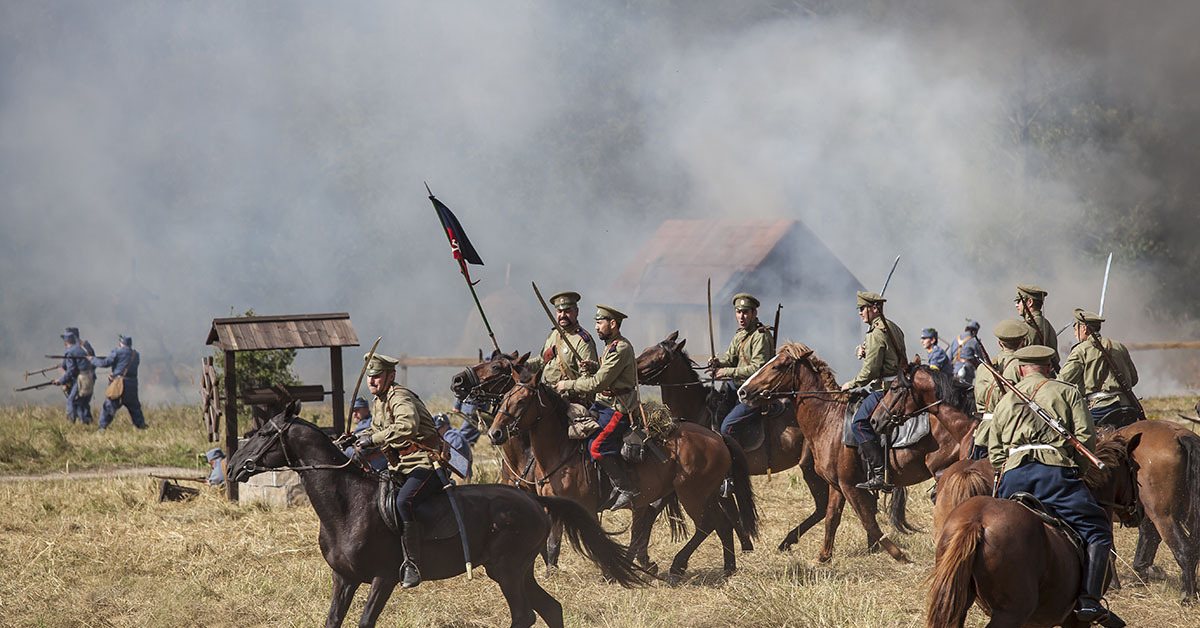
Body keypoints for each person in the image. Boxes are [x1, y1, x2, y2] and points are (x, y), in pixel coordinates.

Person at [986, 345, 1123, 628]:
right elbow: (1085, 437)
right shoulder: (1066, 391)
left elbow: (995, 450)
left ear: (1022, 368)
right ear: (1049, 367)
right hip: (1054, 475)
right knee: (1097, 526)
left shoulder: (1006, 398)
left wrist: (1007, 468)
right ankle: (1089, 600)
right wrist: (1077, 470)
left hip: (1013, 476)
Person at [353, 353, 440, 588]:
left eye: (377, 376)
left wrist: (372, 439)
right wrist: (354, 439)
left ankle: (413, 564)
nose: (371, 381)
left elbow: (407, 427)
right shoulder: (379, 400)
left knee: (404, 502)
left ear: (390, 376)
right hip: (399, 465)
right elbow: (373, 428)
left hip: (424, 463)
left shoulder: (399, 397)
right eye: (370, 377)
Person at [556, 304, 640, 510]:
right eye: (595, 322)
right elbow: (608, 372)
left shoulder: (621, 348)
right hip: (602, 405)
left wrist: (567, 385)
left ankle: (625, 488)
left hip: (618, 408)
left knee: (597, 446)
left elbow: (597, 384)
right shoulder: (610, 345)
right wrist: (594, 366)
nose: (596, 327)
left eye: (600, 323)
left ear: (613, 324)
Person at [839, 291, 907, 492]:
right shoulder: (891, 327)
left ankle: (879, 474)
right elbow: (887, 355)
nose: (860, 313)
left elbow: (870, 371)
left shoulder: (876, 334)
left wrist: (851, 384)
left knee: (859, 423)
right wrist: (862, 351)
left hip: (884, 389)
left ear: (874, 308)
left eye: (862, 308)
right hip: (897, 384)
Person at [706, 293, 775, 440]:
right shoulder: (740, 335)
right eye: (738, 312)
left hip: (754, 392)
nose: (741, 317)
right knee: (712, 415)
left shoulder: (760, 336)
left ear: (754, 313)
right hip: (737, 388)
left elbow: (757, 369)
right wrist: (717, 363)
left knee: (727, 428)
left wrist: (726, 371)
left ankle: (735, 461)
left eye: (745, 312)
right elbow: (730, 359)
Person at [1058, 309, 1141, 429]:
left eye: (1075, 329)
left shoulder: (1081, 350)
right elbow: (1134, 379)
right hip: (1127, 406)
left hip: (1100, 408)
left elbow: (1062, 381)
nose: (1075, 334)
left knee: (1073, 434)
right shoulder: (1119, 346)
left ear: (1084, 329)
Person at [525, 290, 600, 404]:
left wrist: (565, 386)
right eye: (559, 311)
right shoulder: (554, 334)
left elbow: (589, 380)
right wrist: (520, 364)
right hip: (546, 396)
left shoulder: (583, 341)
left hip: (570, 401)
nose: (562, 315)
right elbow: (541, 361)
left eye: (567, 311)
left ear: (576, 312)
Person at [969, 319, 1028, 459]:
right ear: (1023, 342)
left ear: (1000, 343)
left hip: (983, 434)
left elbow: (979, 402)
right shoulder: (1024, 368)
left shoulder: (983, 368)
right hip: (1011, 435)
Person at [91, 335, 147, 431]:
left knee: (109, 405)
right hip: (132, 384)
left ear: (121, 343)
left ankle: (102, 427)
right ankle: (141, 425)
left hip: (119, 384)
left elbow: (104, 363)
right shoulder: (136, 354)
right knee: (134, 407)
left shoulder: (117, 352)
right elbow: (124, 366)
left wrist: (92, 359)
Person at [1014, 284, 1059, 371]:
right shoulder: (1046, 324)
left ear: (1030, 302)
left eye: (1019, 301)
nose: (1016, 305)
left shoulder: (1027, 328)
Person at [54, 332, 94, 425]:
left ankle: (70, 422)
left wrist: (60, 381)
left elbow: (70, 371)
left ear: (65, 343)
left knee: (71, 400)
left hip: (81, 377)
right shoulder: (81, 348)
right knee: (81, 402)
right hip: (89, 376)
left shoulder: (69, 352)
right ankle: (85, 422)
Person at [344, 397, 388, 472]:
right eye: (352, 411)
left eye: (357, 410)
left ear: (366, 410)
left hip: (377, 469)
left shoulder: (367, 426)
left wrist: (344, 449)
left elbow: (359, 453)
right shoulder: (367, 423)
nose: (354, 414)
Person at [433, 414, 474, 481]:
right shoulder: (449, 435)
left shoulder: (451, 435)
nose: (437, 432)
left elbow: (454, 458)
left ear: (445, 426)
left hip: (460, 477)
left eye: (438, 429)